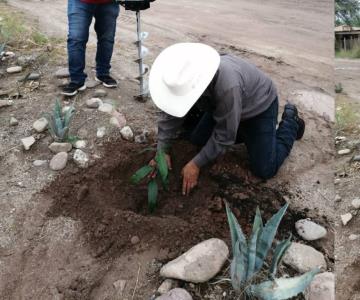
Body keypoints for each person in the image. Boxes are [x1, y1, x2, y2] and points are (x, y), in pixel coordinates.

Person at [148, 43, 305, 196]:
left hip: (258, 107)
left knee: (264, 169)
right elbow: (170, 114)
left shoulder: (226, 85)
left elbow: (225, 136)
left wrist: (195, 164)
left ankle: (291, 121)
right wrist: (162, 150)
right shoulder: (188, 76)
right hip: (224, 107)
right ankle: (247, 135)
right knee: (197, 140)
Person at [62, 0, 120, 96]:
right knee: (76, 38)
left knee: (107, 39)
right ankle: (76, 80)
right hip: (79, 2)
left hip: (109, 2)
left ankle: (103, 73)